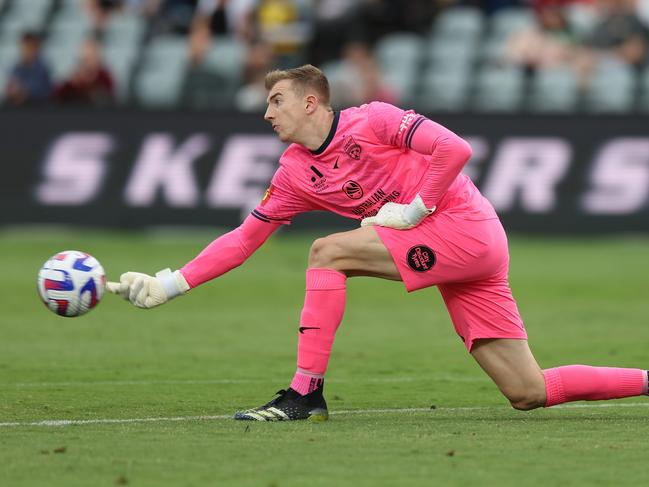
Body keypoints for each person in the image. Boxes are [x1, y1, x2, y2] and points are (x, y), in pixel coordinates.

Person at [107, 64, 649, 421]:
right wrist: (169, 283)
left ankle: (304, 392)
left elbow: (455, 149)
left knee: (327, 252)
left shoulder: (375, 120)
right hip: (451, 253)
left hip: (466, 229)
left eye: (276, 100)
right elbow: (246, 238)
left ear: (312, 103)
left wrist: (415, 208)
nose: (266, 113)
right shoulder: (296, 171)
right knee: (526, 391)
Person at [54, 37, 115, 105]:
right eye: (85, 58)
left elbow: (109, 97)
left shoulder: (104, 76)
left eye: (91, 56)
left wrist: (91, 85)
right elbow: (58, 95)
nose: (88, 61)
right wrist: (73, 82)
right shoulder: (75, 75)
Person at [5, 32, 53, 106]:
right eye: (25, 47)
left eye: (30, 47)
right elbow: (11, 88)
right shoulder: (16, 69)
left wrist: (24, 92)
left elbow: (44, 91)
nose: (27, 51)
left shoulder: (43, 69)